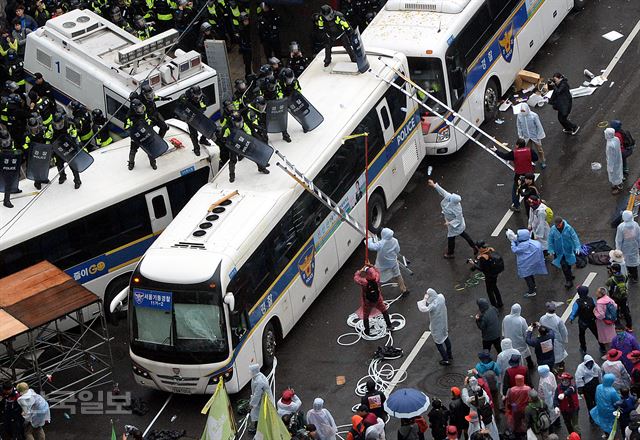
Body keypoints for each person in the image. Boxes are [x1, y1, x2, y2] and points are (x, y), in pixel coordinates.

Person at [428, 179, 477, 258]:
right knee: (463, 234)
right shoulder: (451, 198)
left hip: (455, 225)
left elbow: (458, 220)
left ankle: (450, 253)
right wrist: (434, 185)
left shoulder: (457, 209)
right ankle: (474, 246)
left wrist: (449, 223)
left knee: (451, 237)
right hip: (453, 223)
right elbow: (443, 192)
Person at [492, 138, 538, 212]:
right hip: (529, 175)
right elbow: (536, 158)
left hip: (519, 175)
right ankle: (534, 201)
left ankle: (517, 206)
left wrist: (496, 151)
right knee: (532, 189)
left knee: (515, 191)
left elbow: (504, 156)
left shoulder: (514, 153)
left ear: (517, 145)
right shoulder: (529, 151)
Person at [354, 265, 396, 336]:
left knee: (366, 315)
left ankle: (367, 331)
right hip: (378, 299)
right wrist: (372, 266)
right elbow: (377, 271)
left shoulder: (364, 282)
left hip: (368, 302)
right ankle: (389, 326)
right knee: (384, 311)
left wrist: (360, 271)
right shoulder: (376, 278)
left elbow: (356, 278)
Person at [367, 227, 408, 295]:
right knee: (398, 275)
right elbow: (398, 250)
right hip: (393, 262)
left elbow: (371, 247)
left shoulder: (381, 243)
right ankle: (404, 290)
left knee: (376, 276)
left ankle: (376, 292)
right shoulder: (395, 241)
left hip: (382, 264)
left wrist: (369, 239)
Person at [47, 112, 83, 188]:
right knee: (59, 164)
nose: (57, 126)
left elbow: (75, 135)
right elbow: (48, 136)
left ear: (62, 121)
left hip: (68, 147)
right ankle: (62, 176)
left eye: (59, 123)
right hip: (58, 148)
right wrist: (48, 147)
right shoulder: (51, 126)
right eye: (56, 124)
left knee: (72, 165)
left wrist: (77, 144)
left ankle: (77, 180)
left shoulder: (69, 125)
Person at [417, 288, 452, 365]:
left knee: (438, 343)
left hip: (436, 326)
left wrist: (424, 299)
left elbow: (423, 308)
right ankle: (449, 354)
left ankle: (445, 359)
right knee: (445, 336)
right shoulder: (441, 297)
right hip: (443, 322)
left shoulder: (433, 305)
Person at [569, 285, 606, 356]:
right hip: (592, 321)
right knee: (597, 334)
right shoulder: (591, 299)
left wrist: (571, 318)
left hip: (582, 322)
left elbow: (574, 311)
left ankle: (583, 348)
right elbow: (596, 307)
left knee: (582, 335)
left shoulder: (577, 302)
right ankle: (602, 347)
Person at [508, 228, 547, 297]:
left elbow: (515, 250)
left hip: (525, 264)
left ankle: (531, 291)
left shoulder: (523, 245)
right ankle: (533, 286)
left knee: (527, 277)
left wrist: (512, 242)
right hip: (529, 263)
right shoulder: (529, 242)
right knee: (530, 275)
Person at [547, 217, 581, 289]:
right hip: (559, 251)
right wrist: (550, 249)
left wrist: (577, 247)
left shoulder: (568, 228)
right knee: (564, 265)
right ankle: (569, 281)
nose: (557, 226)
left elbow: (574, 237)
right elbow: (550, 240)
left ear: (562, 222)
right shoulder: (553, 229)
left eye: (559, 225)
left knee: (568, 264)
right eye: (556, 225)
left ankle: (569, 275)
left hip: (568, 250)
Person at [468, 241, 503, 308]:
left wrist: (474, 264)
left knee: (489, 291)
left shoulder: (483, 257)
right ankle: (500, 302)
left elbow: (482, 269)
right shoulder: (491, 249)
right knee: (495, 287)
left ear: (480, 248)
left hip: (489, 276)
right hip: (495, 273)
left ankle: (494, 306)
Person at [124, 99, 157, 171]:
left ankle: (153, 163)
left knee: (150, 150)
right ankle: (131, 163)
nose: (141, 110)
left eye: (141, 108)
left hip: (145, 133)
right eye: (139, 109)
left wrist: (150, 123)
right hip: (136, 136)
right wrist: (131, 127)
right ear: (134, 109)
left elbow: (147, 119)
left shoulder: (143, 112)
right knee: (133, 151)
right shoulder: (129, 117)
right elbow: (126, 128)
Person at [179, 85, 210, 156]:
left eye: (199, 95)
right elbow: (181, 107)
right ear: (192, 94)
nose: (198, 97)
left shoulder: (202, 97)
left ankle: (203, 140)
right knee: (193, 134)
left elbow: (203, 108)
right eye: (196, 96)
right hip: (190, 117)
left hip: (199, 115)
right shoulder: (186, 97)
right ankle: (196, 148)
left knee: (206, 128)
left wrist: (199, 111)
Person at [502, 304, 534, 369]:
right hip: (519, 342)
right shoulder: (521, 320)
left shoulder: (506, 318)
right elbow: (526, 332)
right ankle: (530, 364)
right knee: (526, 352)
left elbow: (503, 329)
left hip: (509, 341)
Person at [539, 302, 569, 370]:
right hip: (556, 340)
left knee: (548, 354)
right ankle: (561, 366)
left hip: (546, 339)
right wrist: (564, 340)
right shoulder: (558, 320)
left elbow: (541, 328)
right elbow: (563, 331)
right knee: (559, 354)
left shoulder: (542, 318)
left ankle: (551, 367)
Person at [516, 102, 547, 168]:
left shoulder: (534, 115)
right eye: (522, 111)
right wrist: (520, 135)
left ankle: (542, 161)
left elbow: (539, 126)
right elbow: (519, 126)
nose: (523, 112)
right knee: (528, 151)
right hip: (526, 136)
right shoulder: (519, 116)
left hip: (535, 135)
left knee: (539, 150)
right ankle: (531, 161)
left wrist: (539, 135)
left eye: (523, 110)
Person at [575, 354, 602, 424]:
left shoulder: (596, 367)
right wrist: (580, 388)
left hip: (595, 386)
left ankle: (597, 415)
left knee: (597, 401)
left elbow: (600, 376)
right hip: (586, 388)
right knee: (589, 404)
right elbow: (578, 378)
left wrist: (601, 385)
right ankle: (592, 417)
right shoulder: (580, 368)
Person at [248, 364, 273, 435]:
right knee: (258, 415)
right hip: (261, 400)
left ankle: (258, 430)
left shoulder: (259, 381)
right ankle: (258, 428)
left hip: (263, 401)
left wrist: (252, 405)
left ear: (254, 371)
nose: (249, 373)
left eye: (250, 371)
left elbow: (257, 395)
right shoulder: (258, 376)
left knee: (260, 415)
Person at [616, 210, 640, 283]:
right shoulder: (635, 225)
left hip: (624, 248)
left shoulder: (621, 227)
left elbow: (619, 240)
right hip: (634, 246)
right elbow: (639, 237)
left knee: (626, 262)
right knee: (634, 263)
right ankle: (635, 276)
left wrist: (618, 250)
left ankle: (630, 274)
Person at [537, 365, 561, 432]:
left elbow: (547, 396)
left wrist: (548, 406)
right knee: (556, 413)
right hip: (554, 396)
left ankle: (552, 430)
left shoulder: (545, 382)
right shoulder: (550, 374)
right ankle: (558, 424)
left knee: (550, 416)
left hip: (549, 401)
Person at [607, 266, 632, 330]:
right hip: (623, 295)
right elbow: (626, 280)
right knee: (625, 310)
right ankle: (629, 325)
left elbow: (607, 284)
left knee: (615, 310)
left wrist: (610, 275)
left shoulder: (612, 279)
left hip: (615, 297)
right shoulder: (624, 276)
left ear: (614, 270)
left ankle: (618, 325)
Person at [604, 127, 624, 194]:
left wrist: (610, 167)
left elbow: (611, 158)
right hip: (618, 160)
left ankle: (618, 187)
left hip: (613, 163)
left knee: (615, 175)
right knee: (618, 173)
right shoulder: (616, 139)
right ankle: (617, 184)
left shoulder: (610, 145)